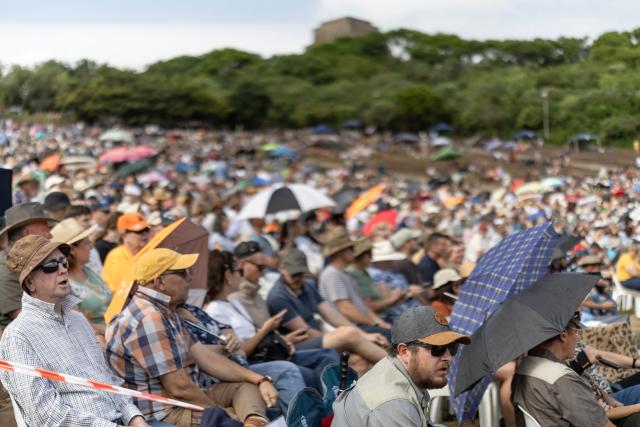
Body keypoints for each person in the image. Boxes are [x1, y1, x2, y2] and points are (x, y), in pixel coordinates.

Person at [106, 248, 274, 427]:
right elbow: (179, 389)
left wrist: (259, 379)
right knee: (233, 416)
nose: (189, 278)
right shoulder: (149, 317)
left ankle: (252, 424)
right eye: (182, 273)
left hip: (185, 400)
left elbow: (207, 358)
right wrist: (222, 412)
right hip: (167, 412)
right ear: (159, 282)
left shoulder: (165, 310)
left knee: (247, 386)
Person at [0, 234, 149, 426]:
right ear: (30, 283)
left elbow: (108, 380)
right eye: (51, 266)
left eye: (63, 262)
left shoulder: (78, 320)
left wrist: (135, 418)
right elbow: (45, 415)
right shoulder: (18, 336)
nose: (62, 270)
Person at [205, 244, 339, 391]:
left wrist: (282, 340)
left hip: (269, 353)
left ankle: (339, 399)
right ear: (228, 276)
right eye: (238, 271)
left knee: (327, 355)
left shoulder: (232, 303)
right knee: (307, 374)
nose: (241, 274)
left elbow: (253, 334)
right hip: (253, 361)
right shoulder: (215, 309)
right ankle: (330, 405)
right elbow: (239, 352)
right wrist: (266, 329)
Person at [331, 306, 471, 426]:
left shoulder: (401, 373)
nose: (448, 357)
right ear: (404, 352)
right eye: (438, 349)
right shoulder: (393, 403)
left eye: (452, 348)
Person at [268, 248, 389, 371]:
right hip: (297, 345)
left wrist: (362, 335)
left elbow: (332, 315)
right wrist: (343, 338)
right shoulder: (278, 297)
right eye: (294, 274)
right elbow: (306, 332)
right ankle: (398, 368)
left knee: (358, 359)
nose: (298, 278)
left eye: (301, 273)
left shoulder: (307, 285)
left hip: (317, 338)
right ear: (282, 269)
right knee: (348, 334)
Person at [511, 313, 617, 427]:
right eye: (576, 332)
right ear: (563, 335)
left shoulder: (522, 367)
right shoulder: (561, 378)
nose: (578, 338)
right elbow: (602, 425)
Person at [318, 227, 392, 339]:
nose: (354, 251)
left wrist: (379, 322)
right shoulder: (332, 274)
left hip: (362, 325)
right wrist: (373, 323)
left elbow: (362, 305)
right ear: (340, 252)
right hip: (354, 328)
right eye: (351, 248)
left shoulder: (345, 273)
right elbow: (345, 308)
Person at [51, 217, 112, 338]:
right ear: (72, 250)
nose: (91, 247)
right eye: (87, 243)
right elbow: (78, 324)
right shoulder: (63, 283)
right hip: (99, 339)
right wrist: (113, 330)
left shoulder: (87, 271)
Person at [346, 237, 405, 321]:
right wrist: (393, 298)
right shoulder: (355, 274)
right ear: (365, 256)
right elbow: (368, 306)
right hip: (380, 318)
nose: (371, 258)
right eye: (370, 254)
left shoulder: (363, 272)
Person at [102, 212, 151, 292]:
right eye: (139, 231)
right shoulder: (117, 256)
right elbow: (122, 289)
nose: (145, 234)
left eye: (146, 229)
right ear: (124, 236)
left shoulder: (147, 252)